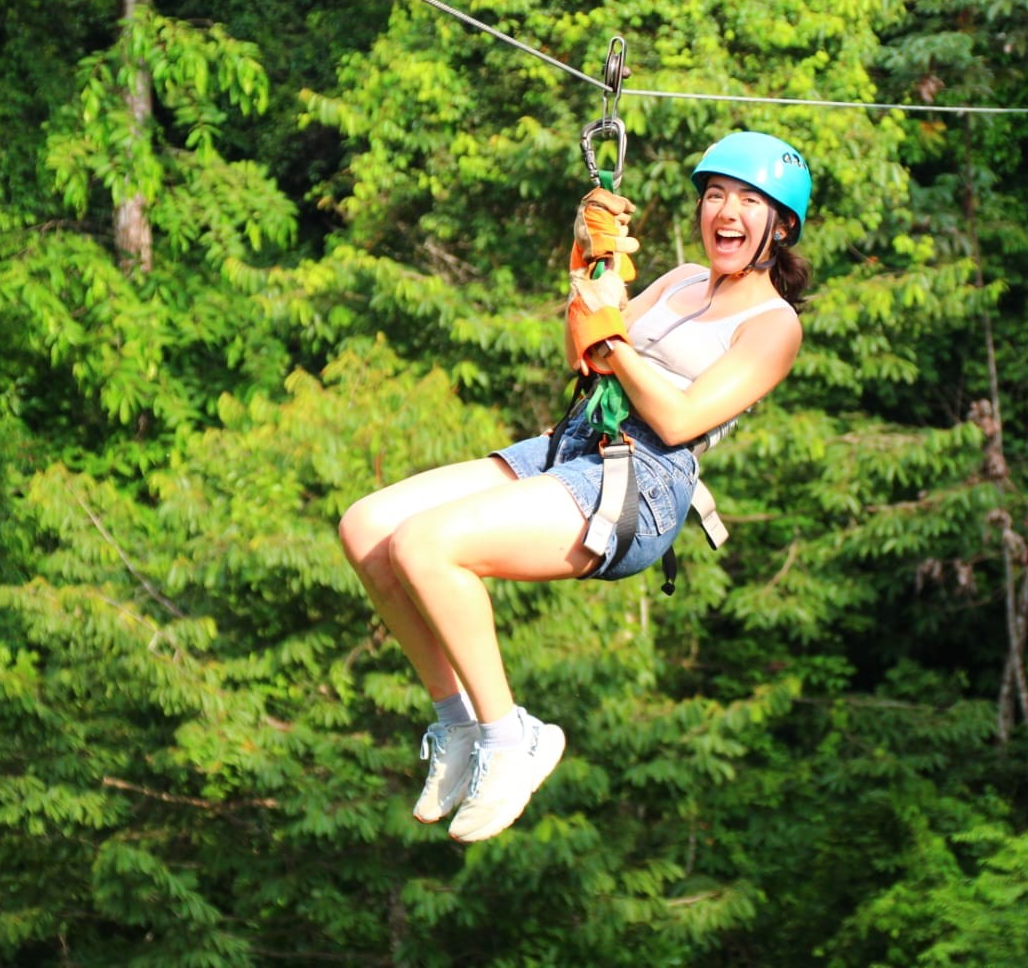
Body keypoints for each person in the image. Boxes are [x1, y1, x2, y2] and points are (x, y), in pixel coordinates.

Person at [338, 131, 813, 843]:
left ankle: (511, 738)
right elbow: (584, 357)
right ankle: (460, 725)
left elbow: (680, 417)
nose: (725, 211)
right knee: (367, 526)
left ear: (780, 227)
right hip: (577, 441)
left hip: (642, 483)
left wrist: (614, 335)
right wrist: (588, 266)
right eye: (715, 195)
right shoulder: (682, 279)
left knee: (426, 546)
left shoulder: (773, 326)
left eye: (748, 201)